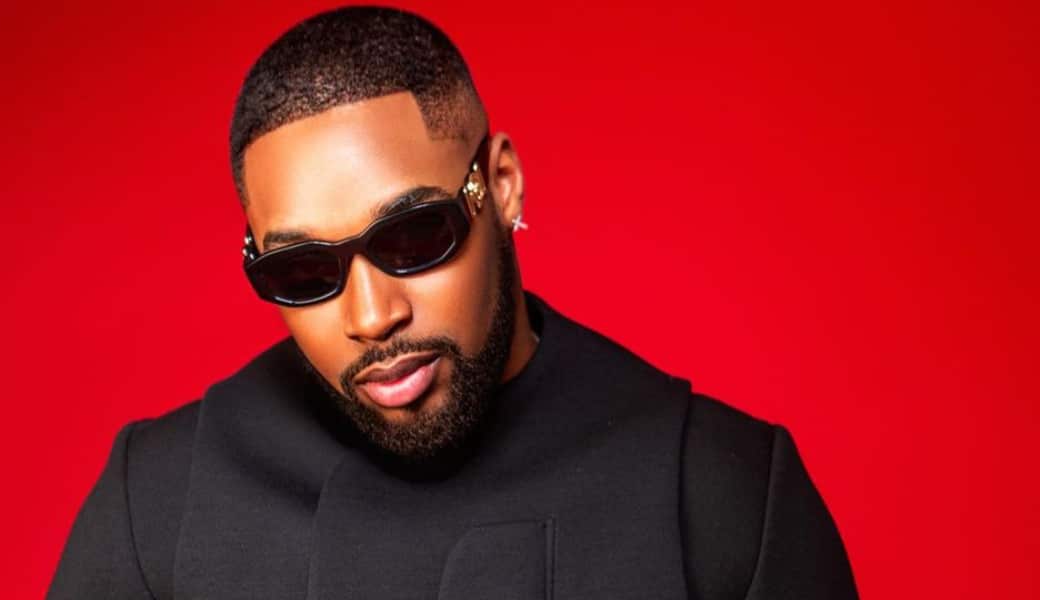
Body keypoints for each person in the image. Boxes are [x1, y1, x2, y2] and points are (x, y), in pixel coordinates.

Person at [48, 6, 858, 599]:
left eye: (413, 237)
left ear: (500, 186)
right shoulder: (160, 500)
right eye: (302, 272)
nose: (371, 316)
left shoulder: (723, 496)